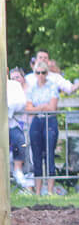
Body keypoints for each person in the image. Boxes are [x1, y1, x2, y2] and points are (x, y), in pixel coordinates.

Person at [24, 57, 63, 195]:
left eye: (43, 72)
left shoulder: (52, 86)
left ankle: (51, 190)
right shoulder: (32, 88)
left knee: (49, 154)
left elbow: (52, 107)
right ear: (35, 73)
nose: (41, 75)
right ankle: (38, 191)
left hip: (49, 120)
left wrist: (37, 107)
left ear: (47, 73)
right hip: (37, 121)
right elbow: (28, 108)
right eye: (38, 72)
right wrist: (41, 107)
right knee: (36, 155)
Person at [7, 68, 32, 192]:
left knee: (20, 141)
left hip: (11, 123)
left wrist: (7, 109)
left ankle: (18, 170)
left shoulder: (14, 85)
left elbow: (20, 102)